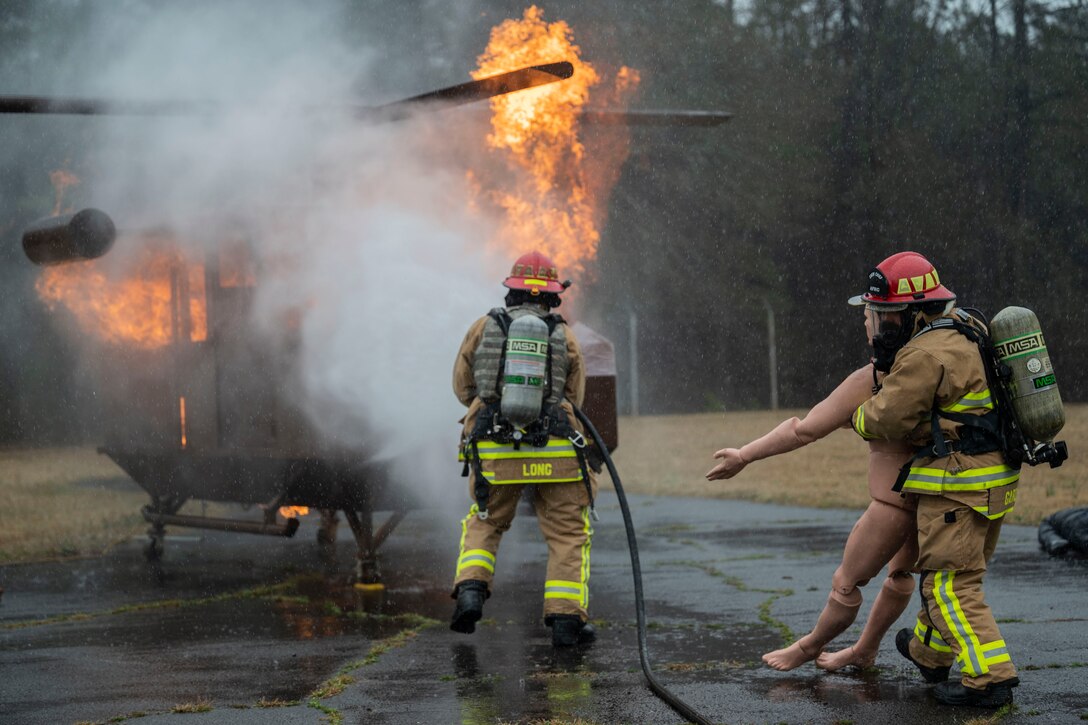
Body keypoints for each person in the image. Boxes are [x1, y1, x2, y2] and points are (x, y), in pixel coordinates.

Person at [848, 251, 1021, 708]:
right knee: (946, 573)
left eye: (887, 316)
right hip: (993, 479)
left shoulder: (925, 354)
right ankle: (929, 652)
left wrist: (858, 416)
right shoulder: (967, 326)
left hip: (959, 486)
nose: (881, 326)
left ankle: (989, 678)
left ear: (914, 311)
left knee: (950, 584)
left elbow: (884, 418)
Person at [706, 361, 918, 672]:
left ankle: (810, 646)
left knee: (846, 584)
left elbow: (803, 429)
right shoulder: (941, 361)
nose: (866, 321)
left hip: (894, 503)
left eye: (871, 312)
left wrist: (745, 454)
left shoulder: (876, 377)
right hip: (942, 495)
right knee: (901, 575)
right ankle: (865, 648)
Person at [448, 250, 597, 648]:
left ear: (511, 292)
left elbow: (463, 386)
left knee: (486, 521)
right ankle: (566, 622)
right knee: (567, 534)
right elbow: (574, 397)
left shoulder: (484, 327)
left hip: (496, 453)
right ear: (552, 296)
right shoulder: (564, 335)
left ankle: (471, 591)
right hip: (558, 455)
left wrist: (490, 409)